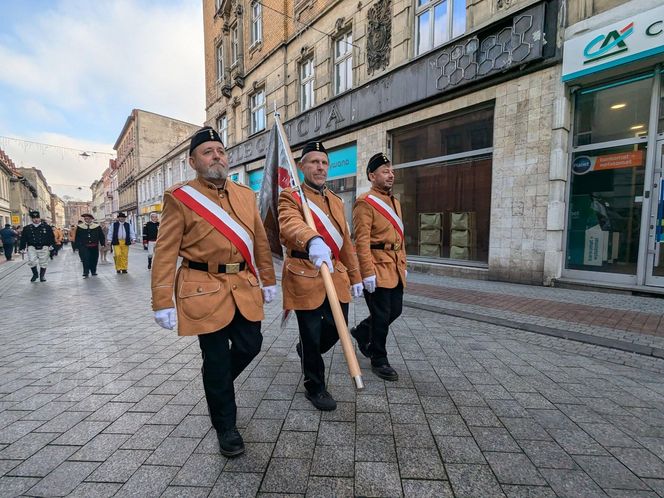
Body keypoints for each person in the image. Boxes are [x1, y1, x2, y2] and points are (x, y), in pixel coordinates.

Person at [151, 126, 277, 458]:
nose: (216, 155)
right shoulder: (180, 198)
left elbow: (260, 243)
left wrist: (268, 278)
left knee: (251, 344)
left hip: (244, 286)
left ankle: (214, 381)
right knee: (218, 359)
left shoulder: (246, 195)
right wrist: (162, 299)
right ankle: (226, 427)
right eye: (208, 151)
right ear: (193, 161)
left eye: (220, 150)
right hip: (202, 290)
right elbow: (165, 253)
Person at [278, 141, 363, 412]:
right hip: (304, 274)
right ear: (302, 166)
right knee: (312, 335)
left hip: (336, 276)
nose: (320, 167)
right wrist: (311, 239)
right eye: (314, 162)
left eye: (324, 163)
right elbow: (289, 223)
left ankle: (306, 351)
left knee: (335, 329)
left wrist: (356, 275)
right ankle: (315, 386)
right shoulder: (291, 196)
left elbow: (345, 242)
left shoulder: (336, 201)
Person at [351, 153, 407, 381]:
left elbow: (400, 238)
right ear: (372, 176)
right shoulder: (365, 202)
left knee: (396, 310)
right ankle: (379, 358)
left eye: (391, 171)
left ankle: (363, 331)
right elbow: (361, 241)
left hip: (394, 265)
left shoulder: (395, 202)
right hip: (376, 266)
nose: (391, 175)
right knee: (382, 315)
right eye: (385, 171)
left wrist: (404, 264)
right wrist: (366, 272)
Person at [19, 211, 55, 282]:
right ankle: (35, 274)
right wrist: (22, 248)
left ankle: (42, 276)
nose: (36, 219)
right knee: (32, 261)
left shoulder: (46, 227)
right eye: (34, 218)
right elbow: (23, 238)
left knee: (43, 262)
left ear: (40, 218)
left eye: (37, 218)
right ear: (31, 219)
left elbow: (51, 237)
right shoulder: (27, 228)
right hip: (32, 247)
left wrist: (51, 245)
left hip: (44, 247)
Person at [75, 214, 105, 278]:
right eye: (85, 219)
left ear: (91, 219)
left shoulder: (97, 226)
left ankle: (93, 271)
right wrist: (77, 246)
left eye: (88, 218)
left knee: (94, 259)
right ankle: (86, 272)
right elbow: (77, 237)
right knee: (85, 259)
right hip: (84, 246)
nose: (87, 220)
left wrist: (102, 244)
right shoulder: (80, 227)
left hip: (94, 245)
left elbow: (101, 236)